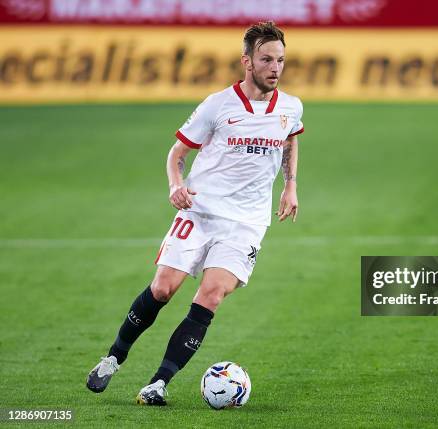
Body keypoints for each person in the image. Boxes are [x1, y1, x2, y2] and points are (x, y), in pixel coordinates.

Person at [85, 21, 304, 406]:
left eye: (281, 60)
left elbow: (289, 140)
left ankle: (158, 383)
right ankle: (113, 358)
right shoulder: (217, 105)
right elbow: (177, 154)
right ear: (247, 62)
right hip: (200, 211)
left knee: (211, 295)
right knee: (163, 288)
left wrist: (290, 185)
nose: (275, 67)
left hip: (246, 223)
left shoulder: (290, 106)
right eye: (267, 59)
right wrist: (175, 185)